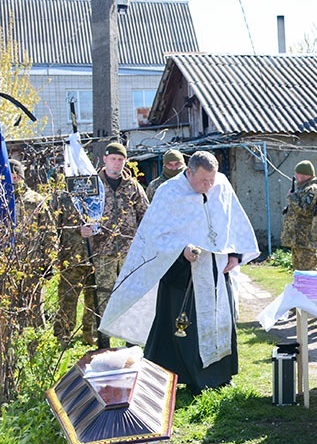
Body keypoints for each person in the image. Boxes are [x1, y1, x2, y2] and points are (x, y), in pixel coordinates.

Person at [99, 151, 259, 395]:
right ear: (189, 172)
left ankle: (220, 375)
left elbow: (232, 222)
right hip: (181, 273)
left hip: (216, 270)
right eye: (203, 180)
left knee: (220, 323)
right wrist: (181, 249)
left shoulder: (221, 186)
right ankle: (187, 378)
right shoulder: (169, 192)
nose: (208, 186)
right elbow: (156, 234)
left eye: (211, 180)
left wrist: (235, 254)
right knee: (182, 329)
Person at [80, 142, 148, 343]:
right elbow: (78, 213)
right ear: (105, 159)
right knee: (103, 298)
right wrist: (81, 228)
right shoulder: (92, 185)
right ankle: (104, 342)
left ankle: (131, 342)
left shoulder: (133, 186)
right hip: (103, 252)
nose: (117, 163)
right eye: (113, 159)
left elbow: (146, 215)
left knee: (131, 298)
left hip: (129, 253)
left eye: (120, 159)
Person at [8, 158, 53, 327]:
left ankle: (36, 345)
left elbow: (49, 231)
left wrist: (49, 261)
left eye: (15, 176)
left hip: (33, 262)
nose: (13, 179)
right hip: (8, 263)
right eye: (9, 176)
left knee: (34, 308)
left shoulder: (35, 200)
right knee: (11, 307)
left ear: (21, 176)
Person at [52, 175, 96, 345]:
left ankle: (89, 334)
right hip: (70, 256)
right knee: (68, 297)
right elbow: (53, 226)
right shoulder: (62, 196)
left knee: (93, 298)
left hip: (95, 255)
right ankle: (63, 334)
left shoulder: (97, 194)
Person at [280, 160, 317, 271]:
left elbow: (306, 210)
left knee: (308, 272)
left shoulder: (311, 189)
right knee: (298, 273)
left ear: (304, 175)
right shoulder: (301, 188)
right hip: (297, 240)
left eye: (297, 174)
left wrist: (291, 197)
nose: (295, 176)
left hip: (305, 240)